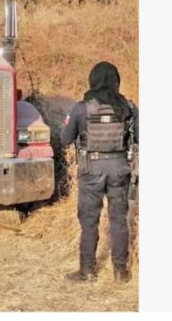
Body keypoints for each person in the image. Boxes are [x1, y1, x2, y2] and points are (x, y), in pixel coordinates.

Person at [60, 61, 138, 283]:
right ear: (117, 82)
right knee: (119, 220)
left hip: (91, 169)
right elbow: (140, 138)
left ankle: (87, 271)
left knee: (89, 221)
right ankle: (121, 272)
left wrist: (65, 126)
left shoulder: (81, 108)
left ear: (92, 80)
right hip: (120, 169)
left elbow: (65, 140)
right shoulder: (130, 108)